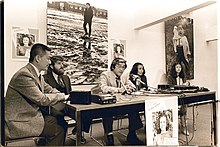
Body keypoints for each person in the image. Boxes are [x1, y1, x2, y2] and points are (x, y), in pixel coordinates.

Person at [5, 43, 69, 146]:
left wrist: (59, 93)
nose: (49, 62)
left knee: (60, 121)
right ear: (38, 58)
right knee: (59, 130)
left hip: (30, 116)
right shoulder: (24, 75)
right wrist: (63, 96)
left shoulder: (37, 75)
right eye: (48, 59)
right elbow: (41, 99)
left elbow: (49, 89)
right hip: (19, 121)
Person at [43, 55, 92, 144]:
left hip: (67, 105)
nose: (62, 66)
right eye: (59, 63)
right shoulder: (44, 78)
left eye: (62, 63)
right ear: (51, 66)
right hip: (53, 107)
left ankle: (78, 131)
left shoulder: (66, 78)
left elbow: (70, 93)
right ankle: (56, 141)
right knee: (59, 121)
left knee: (87, 112)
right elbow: (45, 97)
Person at [99, 57, 144, 145]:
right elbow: (103, 88)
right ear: (113, 67)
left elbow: (131, 85)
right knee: (107, 111)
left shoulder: (125, 75)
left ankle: (132, 134)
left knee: (134, 108)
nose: (121, 69)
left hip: (122, 103)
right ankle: (109, 136)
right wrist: (119, 90)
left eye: (123, 67)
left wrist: (130, 88)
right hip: (110, 105)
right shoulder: (105, 74)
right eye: (119, 66)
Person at [168, 62, 189, 136]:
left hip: (182, 96)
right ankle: (173, 128)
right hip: (174, 97)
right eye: (177, 67)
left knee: (183, 109)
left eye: (180, 67)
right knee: (176, 110)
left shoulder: (183, 76)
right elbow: (170, 88)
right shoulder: (170, 77)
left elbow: (186, 86)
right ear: (174, 68)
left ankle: (184, 127)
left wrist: (186, 84)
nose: (178, 69)